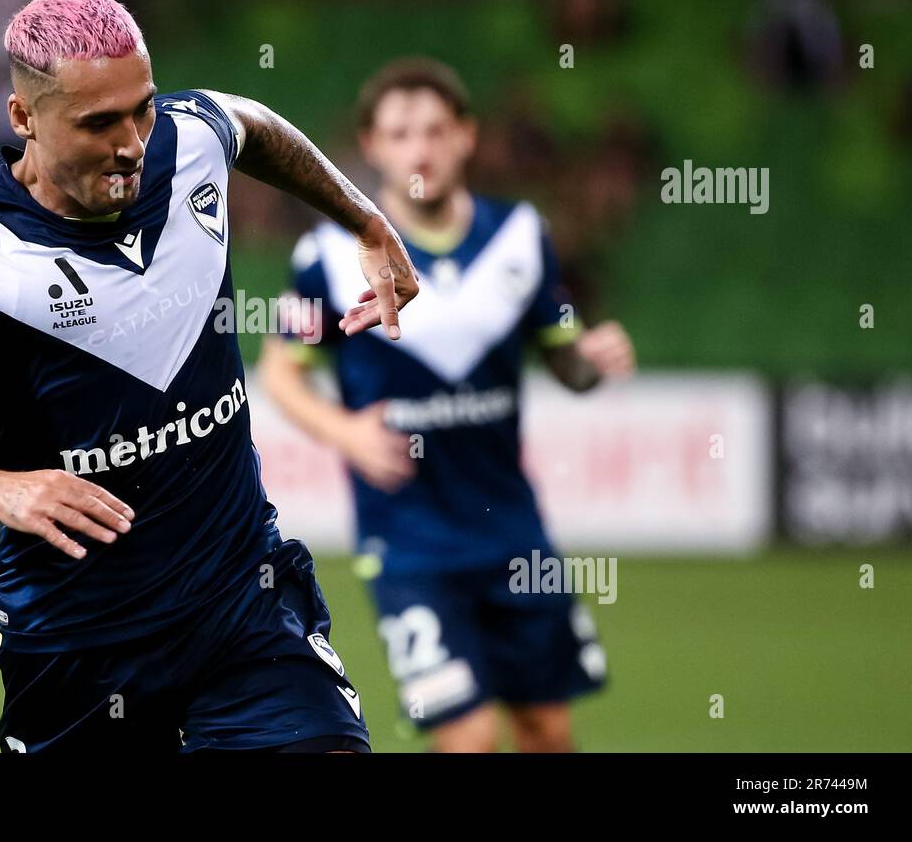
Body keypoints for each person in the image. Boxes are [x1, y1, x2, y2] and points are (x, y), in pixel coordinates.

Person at [0, 0, 419, 753]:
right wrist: (2, 488)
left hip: (245, 612)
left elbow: (254, 126)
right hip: (78, 651)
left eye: (140, 108)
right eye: (98, 123)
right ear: (23, 119)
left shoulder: (188, 135)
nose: (133, 141)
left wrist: (365, 222)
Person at [260, 58, 635, 752]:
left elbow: (566, 363)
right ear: (370, 147)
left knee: (548, 731)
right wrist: (344, 431)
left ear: (467, 136)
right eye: (400, 134)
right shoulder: (329, 256)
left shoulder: (522, 237)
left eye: (434, 130)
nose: (420, 149)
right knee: (467, 738)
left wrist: (593, 360)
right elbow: (279, 373)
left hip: (515, 534)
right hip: (409, 544)